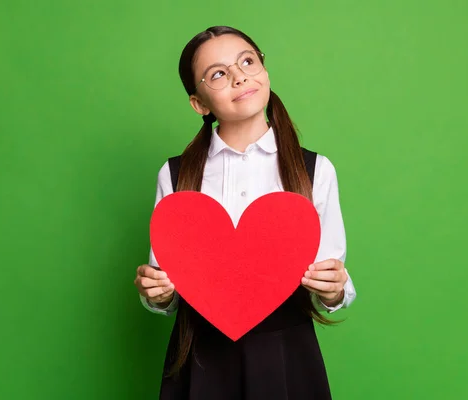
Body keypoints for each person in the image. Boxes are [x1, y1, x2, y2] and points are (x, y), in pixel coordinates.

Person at [134, 25, 357, 400]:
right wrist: (156, 293)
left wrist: (335, 289)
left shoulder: (315, 170)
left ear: (264, 70)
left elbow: (331, 280)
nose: (239, 77)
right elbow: (167, 285)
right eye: (218, 73)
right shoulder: (175, 175)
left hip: (286, 357)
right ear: (199, 103)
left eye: (247, 61)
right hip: (201, 358)